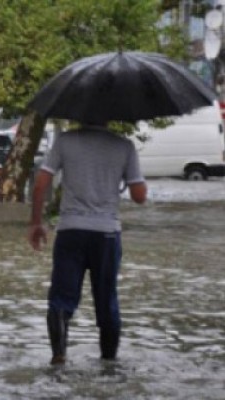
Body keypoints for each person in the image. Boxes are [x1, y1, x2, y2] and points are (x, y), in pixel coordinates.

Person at [28, 123, 147, 365]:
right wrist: (124, 180)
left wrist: (36, 223)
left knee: (61, 300)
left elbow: (41, 183)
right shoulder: (124, 146)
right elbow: (140, 196)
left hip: (70, 231)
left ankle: (59, 357)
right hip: (107, 234)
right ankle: (109, 363)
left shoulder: (65, 141)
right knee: (107, 300)